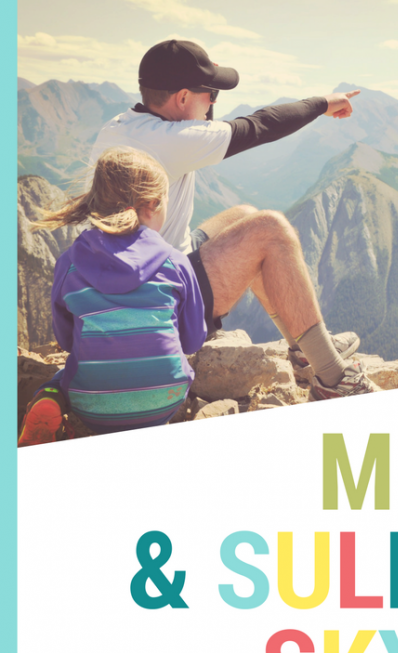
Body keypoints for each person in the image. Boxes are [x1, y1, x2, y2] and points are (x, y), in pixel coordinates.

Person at [89, 39, 380, 400]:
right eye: (210, 94)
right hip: (159, 303)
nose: (214, 103)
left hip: (133, 281)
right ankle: (335, 379)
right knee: (271, 230)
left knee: (244, 216)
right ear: (181, 98)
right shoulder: (171, 139)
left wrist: (205, 110)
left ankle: (308, 351)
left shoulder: (122, 126)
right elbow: (259, 126)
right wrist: (323, 103)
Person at [18, 147, 207, 445]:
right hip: (165, 400)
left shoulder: (69, 263)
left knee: (65, 374)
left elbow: (67, 341)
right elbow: (193, 340)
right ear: (152, 204)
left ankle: (49, 400)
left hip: (92, 409)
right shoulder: (176, 262)